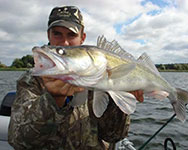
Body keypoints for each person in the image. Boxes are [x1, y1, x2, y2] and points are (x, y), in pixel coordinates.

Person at [8, 5, 143, 150]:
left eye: (71, 35)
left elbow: (114, 136)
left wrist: (118, 103)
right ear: (48, 35)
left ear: (82, 37)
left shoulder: (98, 72)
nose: (64, 42)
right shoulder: (31, 79)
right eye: (57, 34)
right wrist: (53, 100)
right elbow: (20, 141)